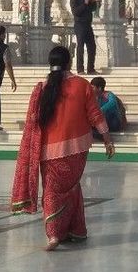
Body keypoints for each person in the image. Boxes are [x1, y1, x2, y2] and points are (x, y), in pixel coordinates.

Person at [10, 45, 115, 250]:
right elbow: (95, 115)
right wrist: (107, 139)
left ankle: (54, 234)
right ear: (69, 62)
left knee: (52, 190)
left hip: (48, 151)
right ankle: (75, 229)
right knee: (72, 186)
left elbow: (34, 121)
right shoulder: (82, 85)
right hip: (77, 149)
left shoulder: (41, 88)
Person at [70, 0, 98, 74]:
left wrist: (94, 2)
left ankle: (91, 69)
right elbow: (76, 12)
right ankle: (80, 69)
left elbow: (92, 9)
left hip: (88, 25)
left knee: (92, 46)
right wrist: (84, 4)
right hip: (79, 25)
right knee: (80, 46)